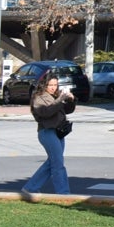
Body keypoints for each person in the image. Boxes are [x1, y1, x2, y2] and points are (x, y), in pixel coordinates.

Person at [21, 71, 75, 199]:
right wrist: (59, 100)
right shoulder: (38, 97)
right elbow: (45, 112)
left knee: (52, 162)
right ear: (44, 85)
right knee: (58, 163)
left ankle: (30, 188)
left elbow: (68, 110)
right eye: (50, 85)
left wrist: (71, 100)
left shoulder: (55, 96)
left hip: (59, 132)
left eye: (55, 85)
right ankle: (63, 193)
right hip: (47, 131)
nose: (53, 87)